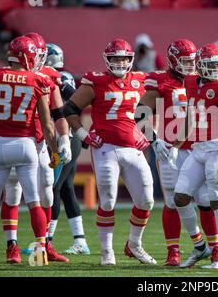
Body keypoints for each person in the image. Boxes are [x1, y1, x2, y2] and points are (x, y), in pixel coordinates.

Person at [63, 39, 156, 266]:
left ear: (131, 59)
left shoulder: (141, 80)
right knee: (107, 201)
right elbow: (70, 109)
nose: (119, 62)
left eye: (123, 58)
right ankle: (106, 252)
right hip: (106, 148)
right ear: (107, 60)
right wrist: (82, 133)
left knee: (146, 200)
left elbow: (143, 112)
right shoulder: (96, 81)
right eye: (115, 58)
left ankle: (134, 245)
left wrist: (148, 134)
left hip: (133, 148)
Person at [0, 36, 59, 266]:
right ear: (26, 56)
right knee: (33, 201)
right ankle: (40, 252)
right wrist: (55, 150)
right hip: (26, 145)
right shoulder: (37, 80)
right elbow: (48, 125)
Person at [139, 39, 218, 266]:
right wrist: (154, 141)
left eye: (191, 61)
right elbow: (140, 113)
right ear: (172, 60)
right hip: (170, 150)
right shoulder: (161, 81)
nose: (189, 65)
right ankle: (175, 250)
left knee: (206, 199)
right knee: (173, 202)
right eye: (184, 61)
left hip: (199, 147)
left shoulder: (203, 79)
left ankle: (214, 248)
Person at [0, 33, 71, 264]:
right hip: (16, 139)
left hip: (40, 142)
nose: (40, 59)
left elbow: (59, 112)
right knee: (13, 192)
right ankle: (12, 245)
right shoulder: (7, 75)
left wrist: (64, 138)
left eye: (42, 55)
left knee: (47, 191)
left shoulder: (49, 75)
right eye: (37, 55)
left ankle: (45, 243)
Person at [168, 44, 218, 269]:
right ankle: (200, 247)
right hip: (198, 149)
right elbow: (190, 117)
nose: (216, 69)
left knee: (217, 201)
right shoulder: (190, 82)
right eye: (210, 65)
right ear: (199, 65)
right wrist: (176, 145)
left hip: (217, 148)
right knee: (180, 196)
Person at [44, 43, 90, 255]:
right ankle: (80, 240)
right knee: (65, 188)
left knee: (53, 188)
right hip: (66, 137)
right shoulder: (51, 76)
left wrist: (60, 84)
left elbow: (73, 97)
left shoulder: (61, 77)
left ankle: (46, 240)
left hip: (66, 138)